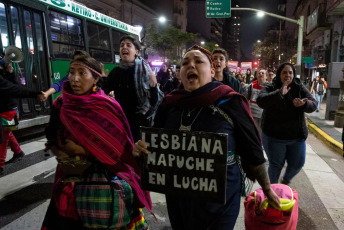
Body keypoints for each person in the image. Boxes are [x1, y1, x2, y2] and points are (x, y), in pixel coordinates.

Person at [134, 45, 280, 229]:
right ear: (180, 73)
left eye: (198, 61)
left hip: (221, 201)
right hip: (179, 198)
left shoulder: (230, 101)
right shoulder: (170, 104)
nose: (191, 66)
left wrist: (267, 189)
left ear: (211, 71)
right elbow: (153, 145)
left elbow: (253, 150)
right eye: (185, 63)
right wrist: (140, 150)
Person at [41, 55, 151, 230]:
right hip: (71, 171)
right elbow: (51, 135)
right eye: (71, 73)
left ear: (96, 78)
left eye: (82, 73)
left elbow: (120, 149)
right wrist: (62, 152)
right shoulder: (61, 103)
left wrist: (84, 151)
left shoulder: (108, 106)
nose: (75, 78)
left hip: (106, 178)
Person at [257, 63, 317, 185]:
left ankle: (286, 180)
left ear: (293, 74)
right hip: (275, 137)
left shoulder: (299, 87)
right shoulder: (271, 86)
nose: (287, 75)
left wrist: (304, 104)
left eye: (290, 72)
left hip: (296, 137)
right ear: (279, 74)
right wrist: (279, 93)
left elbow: (313, 103)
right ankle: (271, 192)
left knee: (298, 164)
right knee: (276, 165)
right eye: (284, 72)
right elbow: (261, 100)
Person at [102, 35, 163, 142]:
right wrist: (101, 79)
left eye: (128, 45)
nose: (124, 47)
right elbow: (102, 92)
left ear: (136, 51)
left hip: (141, 123)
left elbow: (154, 102)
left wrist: (153, 87)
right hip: (122, 122)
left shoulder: (145, 72)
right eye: (122, 46)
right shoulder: (116, 72)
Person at [0, 59, 42, 175]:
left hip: (9, 110)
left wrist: (10, 73)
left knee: (4, 137)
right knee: (7, 133)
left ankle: (0, 165)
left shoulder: (6, 74)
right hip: (5, 110)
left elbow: (16, 88)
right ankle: (18, 152)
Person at [241, 69, 267, 133]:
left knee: (262, 132)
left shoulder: (270, 86)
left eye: (262, 73)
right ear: (256, 76)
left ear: (266, 76)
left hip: (264, 115)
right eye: (259, 73)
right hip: (253, 113)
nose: (260, 74)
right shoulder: (251, 86)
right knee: (254, 132)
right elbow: (246, 98)